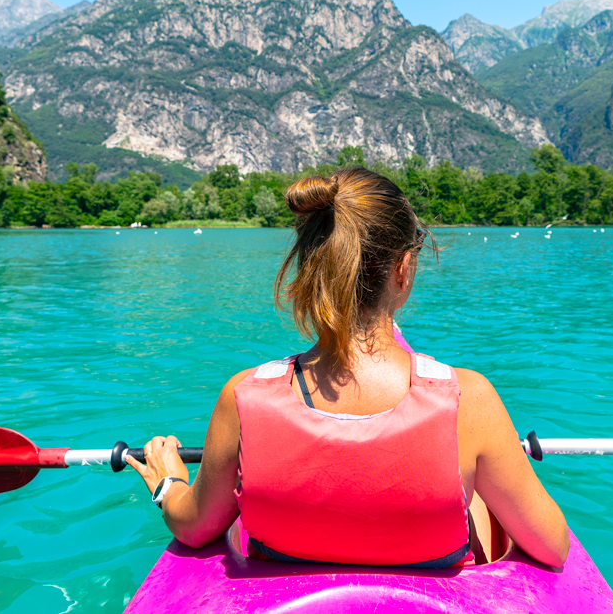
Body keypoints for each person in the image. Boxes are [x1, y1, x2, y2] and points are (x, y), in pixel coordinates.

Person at [128, 167, 570, 568]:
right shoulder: (468, 399)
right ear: (403, 268)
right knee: (474, 496)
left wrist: (169, 484)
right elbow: (553, 547)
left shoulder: (243, 396)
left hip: (285, 593)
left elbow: (194, 526)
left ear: (309, 269)